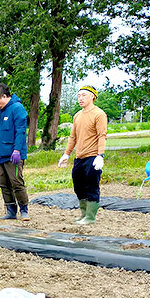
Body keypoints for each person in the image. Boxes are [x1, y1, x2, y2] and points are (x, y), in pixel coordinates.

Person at [58, 85, 108, 225]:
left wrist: (100, 155)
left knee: (91, 185)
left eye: (84, 95)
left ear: (92, 96)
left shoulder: (99, 114)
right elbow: (73, 137)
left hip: (93, 157)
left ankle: (91, 217)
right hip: (79, 157)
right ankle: (84, 213)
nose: (80, 98)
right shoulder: (77, 116)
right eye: (79, 95)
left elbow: (101, 136)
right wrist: (66, 154)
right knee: (78, 185)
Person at [0, 84, 29, 220]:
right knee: (3, 183)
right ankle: (10, 210)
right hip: (1, 154)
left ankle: (24, 210)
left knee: (16, 182)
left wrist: (17, 150)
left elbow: (21, 131)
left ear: (4, 96)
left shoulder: (17, 108)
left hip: (14, 154)